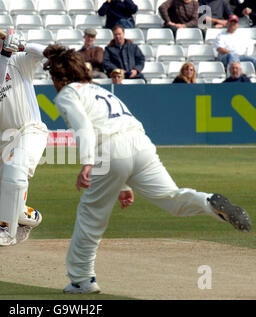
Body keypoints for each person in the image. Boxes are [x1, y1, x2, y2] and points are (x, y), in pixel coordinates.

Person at [42, 44, 252, 294]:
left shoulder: (67, 94)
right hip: (140, 144)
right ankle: (208, 202)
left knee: (91, 216)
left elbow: (84, 128)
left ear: (58, 77)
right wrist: (124, 183)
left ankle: (82, 280)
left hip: (110, 149)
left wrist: (87, 162)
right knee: (172, 198)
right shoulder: (98, 89)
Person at [0, 29, 48, 247]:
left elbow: (46, 53)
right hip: (3, 138)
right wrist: (6, 53)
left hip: (30, 129)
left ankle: (6, 232)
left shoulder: (18, 63)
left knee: (16, 169)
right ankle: (29, 219)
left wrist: (24, 45)